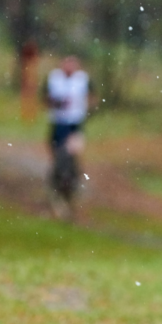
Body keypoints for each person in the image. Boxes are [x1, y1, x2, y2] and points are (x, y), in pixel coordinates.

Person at [44, 55, 90, 219]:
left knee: (72, 155)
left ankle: (72, 184)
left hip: (74, 124)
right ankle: (59, 187)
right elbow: (45, 99)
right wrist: (56, 103)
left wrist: (85, 110)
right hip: (58, 123)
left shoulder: (82, 80)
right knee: (58, 156)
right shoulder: (54, 79)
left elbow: (92, 97)